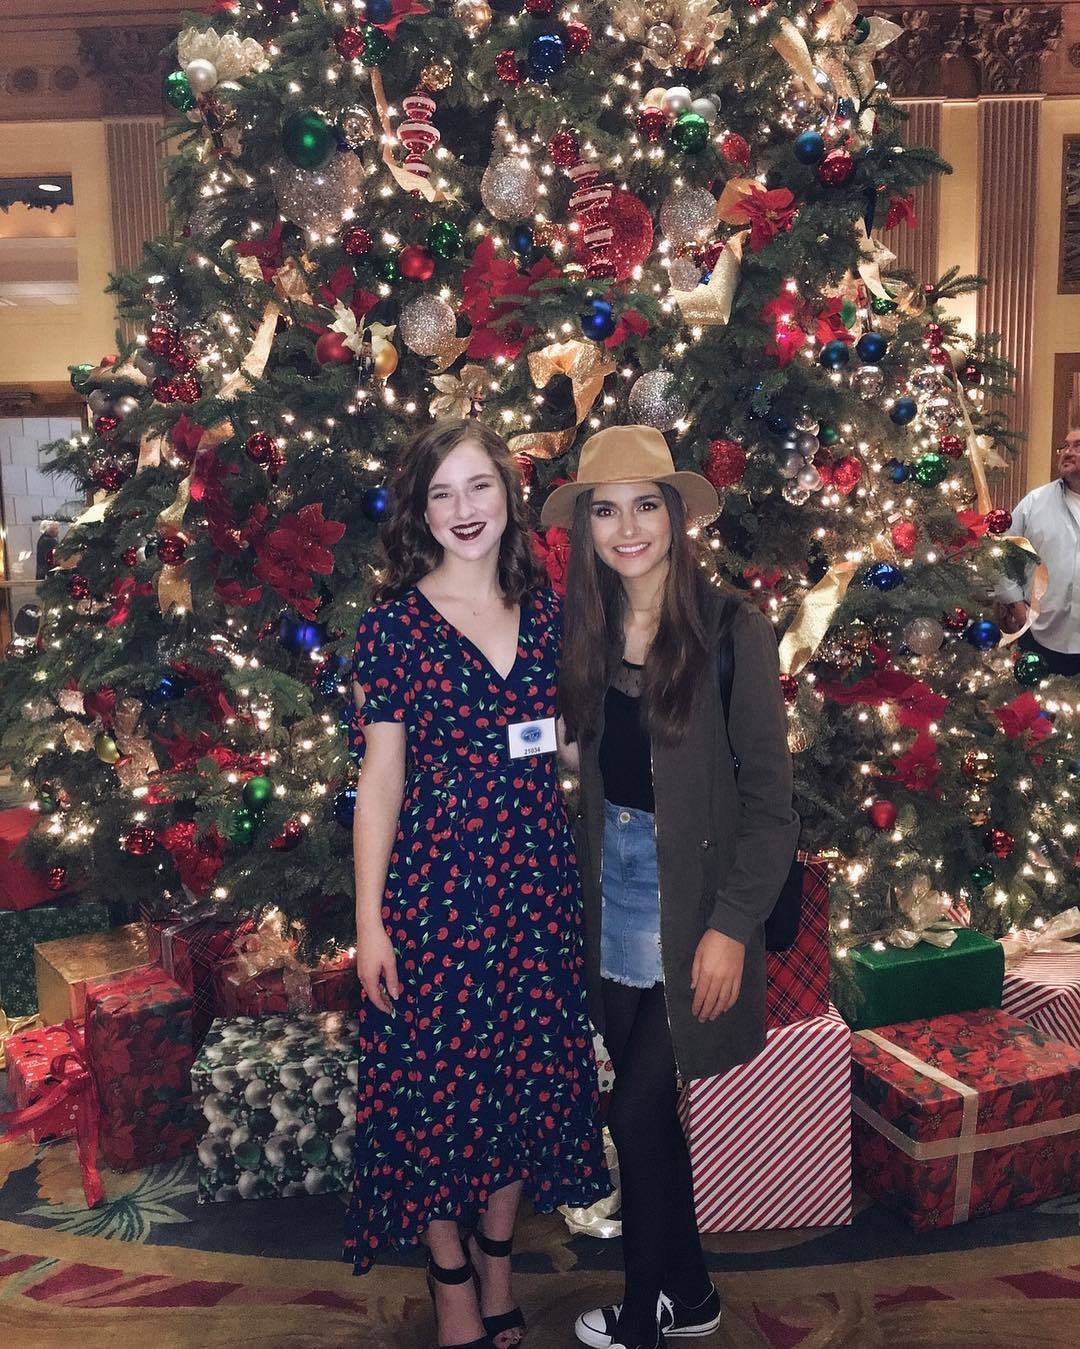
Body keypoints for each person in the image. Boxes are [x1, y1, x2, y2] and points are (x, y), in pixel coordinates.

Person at [343, 419, 609, 1349]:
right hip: (435, 891)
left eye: (479, 486)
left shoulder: (550, 613)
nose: (463, 509)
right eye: (442, 492)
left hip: (534, 886)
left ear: (508, 496)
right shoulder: (393, 626)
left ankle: (497, 1259)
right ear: (421, 511)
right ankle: (448, 1268)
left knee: (521, 1077)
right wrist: (370, 922)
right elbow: (381, 780)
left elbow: (570, 744)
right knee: (434, 1085)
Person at [545, 426, 799, 1349]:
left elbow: (773, 807)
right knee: (649, 1117)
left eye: (645, 504)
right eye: (606, 510)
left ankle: (645, 1314)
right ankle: (691, 1295)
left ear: (677, 514)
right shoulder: (582, 630)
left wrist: (731, 926)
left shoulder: (732, 629)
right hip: (607, 889)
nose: (627, 528)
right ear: (585, 527)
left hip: (692, 896)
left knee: (635, 1105)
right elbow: (580, 765)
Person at [998, 427, 1080, 676]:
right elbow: (1002, 557)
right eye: (1065, 446)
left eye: (1078, 446)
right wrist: (1017, 606)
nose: (1067, 452)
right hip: (1039, 637)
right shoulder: (1035, 503)